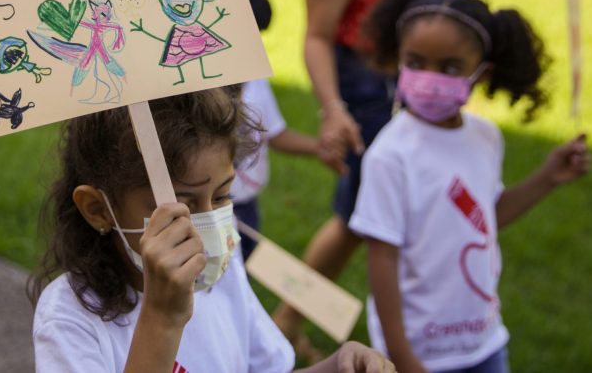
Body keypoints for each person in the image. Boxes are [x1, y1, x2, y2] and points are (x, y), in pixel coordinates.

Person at [29, 87, 394, 373]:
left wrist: (339, 365)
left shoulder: (219, 272)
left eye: (222, 197)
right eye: (182, 206)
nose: (206, 227)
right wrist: (162, 316)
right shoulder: (69, 319)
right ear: (98, 209)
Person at [275, 0, 457, 347]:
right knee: (365, 218)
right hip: (369, 89)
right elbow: (317, 38)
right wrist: (334, 110)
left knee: (381, 218)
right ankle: (301, 320)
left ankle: (291, 319)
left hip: (421, 88)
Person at [349, 0, 590, 373]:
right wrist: (403, 357)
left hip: (485, 342)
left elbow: (483, 218)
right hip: (419, 353)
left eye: (449, 67)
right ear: (398, 59)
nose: (428, 77)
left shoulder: (485, 137)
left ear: (481, 72)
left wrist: (548, 177)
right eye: (414, 62)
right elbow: (382, 259)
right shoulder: (391, 155)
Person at [233, 0, 348, 260]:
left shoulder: (255, 77)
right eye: (246, 36)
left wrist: (318, 147)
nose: (254, 47)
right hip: (210, 208)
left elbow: (272, 132)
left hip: (246, 203)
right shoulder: (194, 90)